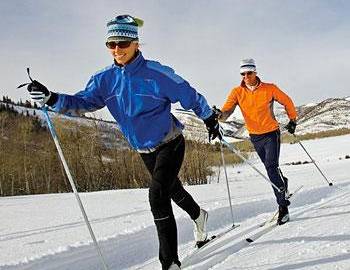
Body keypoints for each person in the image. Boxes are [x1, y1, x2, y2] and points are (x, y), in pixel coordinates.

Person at [25, 15, 221, 270]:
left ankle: (169, 263)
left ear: (136, 43)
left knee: (157, 196)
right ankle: (199, 216)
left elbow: (189, 95)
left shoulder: (157, 73)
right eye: (111, 44)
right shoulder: (103, 79)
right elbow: (83, 102)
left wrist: (209, 118)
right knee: (172, 190)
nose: (117, 49)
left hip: (170, 142)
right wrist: (52, 98)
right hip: (143, 149)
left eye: (123, 43)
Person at [219, 58, 297, 225]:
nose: (246, 76)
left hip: (271, 134)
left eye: (249, 72)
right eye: (243, 73)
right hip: (255, 136)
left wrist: (292, 119)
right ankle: (284, 183)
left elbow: (287, 101)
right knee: (271, 168)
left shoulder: (270, 88)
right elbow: (227, 111)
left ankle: (283, 206)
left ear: (255, 72)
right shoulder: (237, 92)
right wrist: (218, 116)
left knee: (270, 168)